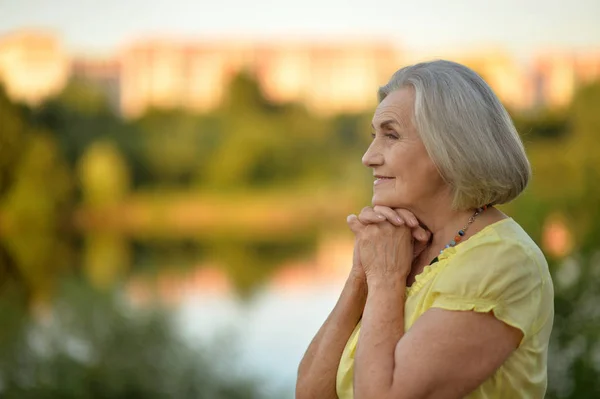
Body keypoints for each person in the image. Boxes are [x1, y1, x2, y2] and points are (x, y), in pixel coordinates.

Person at [296, 60, 554, 399]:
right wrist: (363, 273)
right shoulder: (400, 248)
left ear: (451, 146)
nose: (369, 156)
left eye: (390, 135)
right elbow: (309, 393)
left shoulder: (502, 260)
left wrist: (387, 278)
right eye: (374, 136)